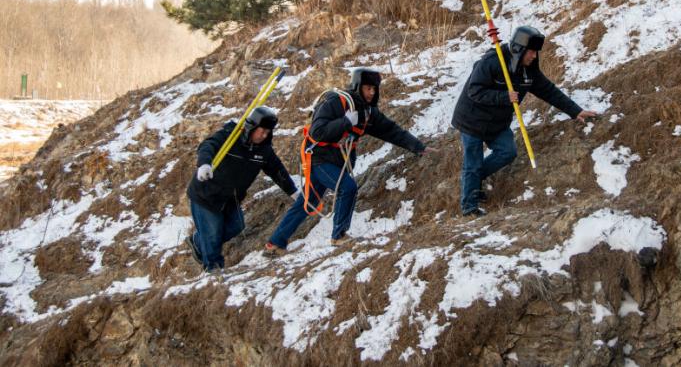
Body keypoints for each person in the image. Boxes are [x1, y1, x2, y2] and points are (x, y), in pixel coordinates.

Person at [266, 68, 432, 251]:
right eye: (367, 88)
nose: (371, 93)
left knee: (309, 200)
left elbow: (391, 130)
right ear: (357, 86)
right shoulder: (335, 102)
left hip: (337, 160)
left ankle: (275, 243)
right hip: (319, 159)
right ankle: (339, 236)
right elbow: (318, 132)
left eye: (374, 89)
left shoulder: (368, 112)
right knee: (348, 187)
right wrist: (345, 122)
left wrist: (419, 147)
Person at [451, 26, 598, 216]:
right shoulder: (493, 61)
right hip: (472, 120)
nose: (534, 56)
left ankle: (471, 180)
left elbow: (548, 90)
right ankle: (469, 206)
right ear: (519, 49)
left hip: (497, 123)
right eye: (531, 51)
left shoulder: (529, 71)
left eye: (536, 52)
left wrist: (575, 111)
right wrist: (503, 97)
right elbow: (475, 90)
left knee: (507, 152)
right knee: (473, 162)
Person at [186, 106, 297, 274]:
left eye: (268, 132)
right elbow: (207, 145)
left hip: (231, 199)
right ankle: (213, 270)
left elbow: (276, 169)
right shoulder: (230, 136)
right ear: (252, 126)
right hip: (207, 194)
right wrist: (204, 164)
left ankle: (198, 241)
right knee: (213, 233)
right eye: (262, 131)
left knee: (236, 226)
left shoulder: (263, 150)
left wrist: (293, 191)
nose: (264, 135)